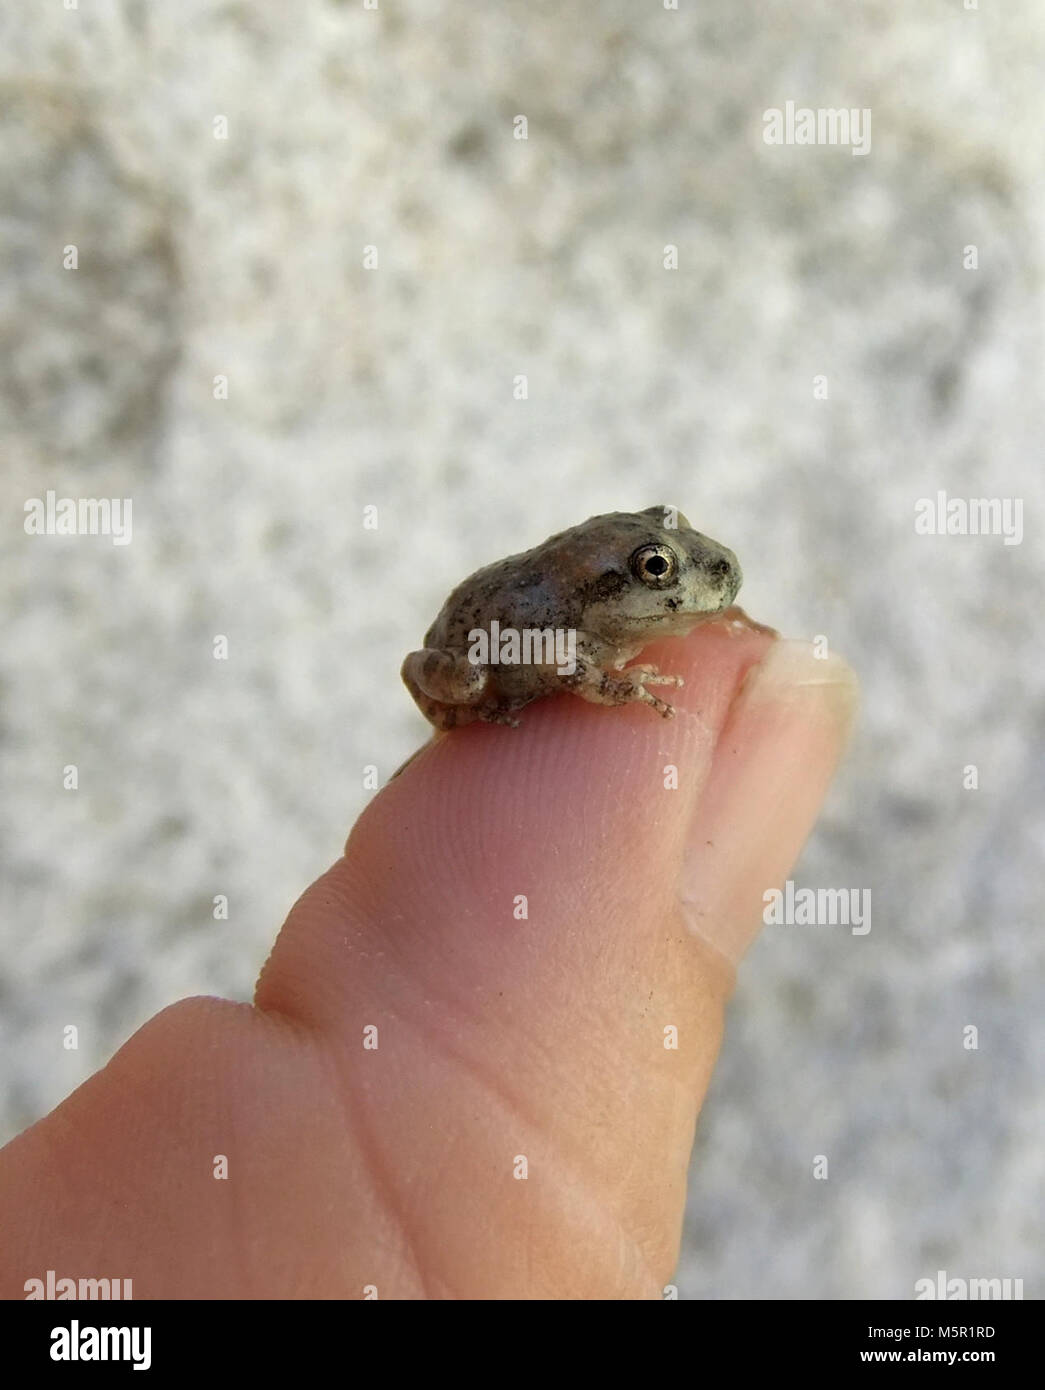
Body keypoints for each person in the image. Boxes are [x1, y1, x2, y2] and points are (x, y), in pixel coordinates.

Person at [0, 620, 857, 1299]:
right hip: (476, 661)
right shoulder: (572, 628)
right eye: (654, 576)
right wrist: (619, 689)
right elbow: (557, 653)